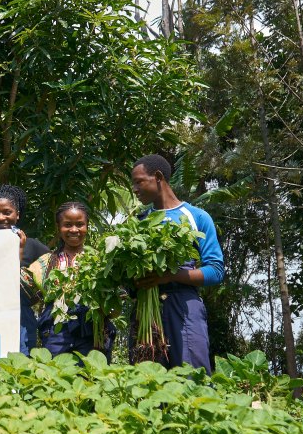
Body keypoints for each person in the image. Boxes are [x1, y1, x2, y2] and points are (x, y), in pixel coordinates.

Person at [130, 154, 225, 373]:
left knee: (192, 377)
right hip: (145, 309)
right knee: (146, 382)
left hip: (184, 307)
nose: (135, 189)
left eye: (139, 182)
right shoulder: (138, 223)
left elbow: (215, 271)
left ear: (158, 177)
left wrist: (170, 276)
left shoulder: (196, 217)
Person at [25, 201, 115, 361]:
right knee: (56, 372)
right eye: (67, 225)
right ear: (58, 227)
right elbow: (27, 293)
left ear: (87, 226)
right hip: (55, 334)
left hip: (93, 333)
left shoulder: (101, 261)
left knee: (92, 373)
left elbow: (114, 301)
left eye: (80, 224)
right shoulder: (44, 263)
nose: (74, 230)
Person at [0, 184, 49, 355]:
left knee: (21, 363)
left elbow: (54, 268)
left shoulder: (32, 245)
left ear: (17, 214)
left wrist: (36, 295)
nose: (1, 218)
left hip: (21, 319)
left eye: (7, 212)